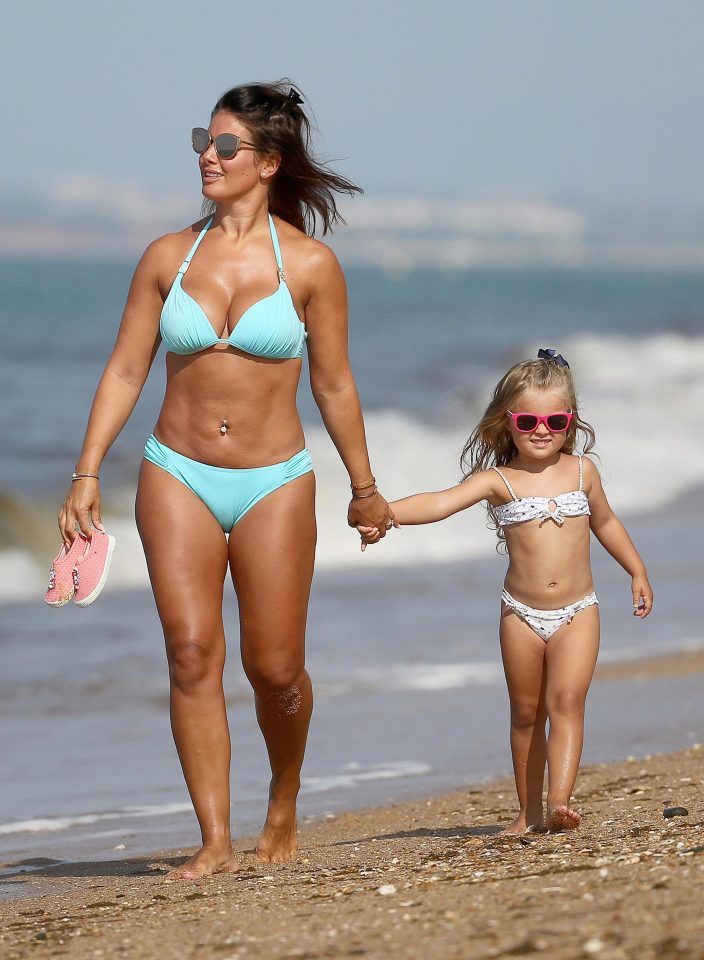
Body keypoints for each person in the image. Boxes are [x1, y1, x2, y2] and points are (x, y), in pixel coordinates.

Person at [58, 80, 396, 879]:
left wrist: (364, 485)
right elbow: (125, 370)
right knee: (189, 653)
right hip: (175, 473)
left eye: (226, 147)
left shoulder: (311, 264)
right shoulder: (166, 257)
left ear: (268, 162)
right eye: (203, 144)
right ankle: (214, 839)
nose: (208, 158)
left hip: (275, 480)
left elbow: (336, 384)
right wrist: (85, 470)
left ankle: (283, 795)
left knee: (274, 668)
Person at [358, 350, 653, 833]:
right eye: (529, 420)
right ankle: (527, 811)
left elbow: (607, 523)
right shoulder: (499, 480)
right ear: (507, 423)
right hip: (520, 615)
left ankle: (558, 802)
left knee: (567, 702)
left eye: (556, 420)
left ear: (571, 422)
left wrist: (636, 570)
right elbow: (440, 502)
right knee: (526, 713)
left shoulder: (583, 473)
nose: (542, 430)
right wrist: (385, 514)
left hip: (579, 611)